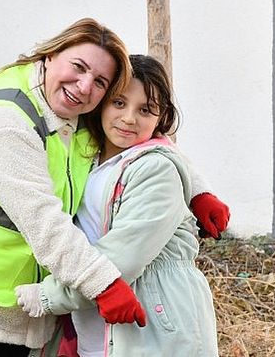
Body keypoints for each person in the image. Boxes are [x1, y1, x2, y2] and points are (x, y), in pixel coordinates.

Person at [0, 18, 228, 356]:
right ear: (49, 55)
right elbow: (44, 221)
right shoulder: (5, 125)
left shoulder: (76, 112)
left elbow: (152, 140)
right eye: (77, 66)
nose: (84, 85)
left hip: (7, 298)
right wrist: (101, 284)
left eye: (101, 82)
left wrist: (197, 189)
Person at [17, 54, 219, 356]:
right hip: (94, 324)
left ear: (160, 118)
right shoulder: (84, 155)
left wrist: (49, 295)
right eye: (119, 103)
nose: (129, 119)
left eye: (146, 110)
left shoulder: (156, 170)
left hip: (154, 325)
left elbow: (124, 255)